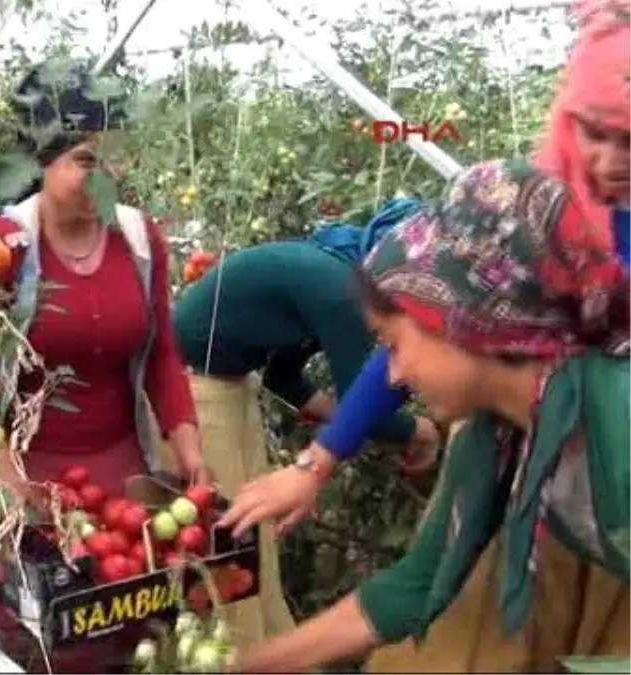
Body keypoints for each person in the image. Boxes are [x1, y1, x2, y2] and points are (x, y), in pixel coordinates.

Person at [220, 0, 631, 540]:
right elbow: (416, 328)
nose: (607, 162)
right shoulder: (530, 211)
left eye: (630, 141)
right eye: (594, 134)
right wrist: (316, 464)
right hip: (521, 480)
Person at [237, 158, 631, 673]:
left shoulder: (615, 418)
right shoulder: (502, 435)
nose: (395, 376)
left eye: (394, 344)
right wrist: (252, 665)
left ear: (465, 321)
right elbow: (415, 586)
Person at [0, 58, 207, 673]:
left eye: (113, 159)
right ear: (38, 163)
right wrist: (11, 488)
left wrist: (190, 456)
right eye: (86, 162)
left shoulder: (139, 239)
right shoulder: (3, 247)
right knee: (44, 638)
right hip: (32, 484)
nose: (107, 179)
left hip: (122, 480)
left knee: (130, 627)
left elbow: (161, 358)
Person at [167, 199, 441, 648]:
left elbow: (283, 378)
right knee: (229, 542)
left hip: (230, 387)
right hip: (195, 391)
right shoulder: (339, 290)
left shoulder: (328, 272)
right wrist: (418, 431)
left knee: (254, 535)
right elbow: (363, 394)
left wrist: (343, 428)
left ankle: (270, 646)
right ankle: (233, 653)